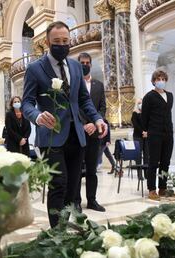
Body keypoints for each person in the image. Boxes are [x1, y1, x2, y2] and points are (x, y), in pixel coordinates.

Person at [22, 21, 108, 228]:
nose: (62, 45)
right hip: (51, 136)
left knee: (72, 186)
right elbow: (26, 102)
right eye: (57, 42)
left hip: (76, 135)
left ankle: (66, 225)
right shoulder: (35, 68)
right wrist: (37, 116)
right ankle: (57, 232)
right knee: (58, 185)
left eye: (65, 41)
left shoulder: (76, 66)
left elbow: (83, 99)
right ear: (47, 42)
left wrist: (97, 118)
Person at [74, 52, 107, 213]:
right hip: (78, 133)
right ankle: (76, 202)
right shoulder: (73, 83)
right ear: (78, 64)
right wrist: (83, 125)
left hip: (94, 134)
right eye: (82, 62)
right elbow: (73, 108)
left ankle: (92, 200)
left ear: (91, 65)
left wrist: (95, 123)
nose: (85, 65)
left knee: (92, 170)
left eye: (87, 62)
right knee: (78, 169)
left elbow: (102, 108)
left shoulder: (99, 85)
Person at [142, 70, 174, 201]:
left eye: (163, 78)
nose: (161, 81)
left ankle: (163, 188)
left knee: (166, 162)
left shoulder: (170, 95)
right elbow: (144, 116)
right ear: (154, 81)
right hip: (155, 132)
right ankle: (151, 189)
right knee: (153, 162)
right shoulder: (149, 96)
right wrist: (146, 130)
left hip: (168, 132)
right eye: (158, 79)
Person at [131, 98, 149, 168]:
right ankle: (140, 175)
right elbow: (136, 125)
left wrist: (147, 132)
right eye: (139, 103)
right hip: (138, 136)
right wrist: (142, 132)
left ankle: (147, 174)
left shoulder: (146, 113)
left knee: (147, 155)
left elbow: (149, 123)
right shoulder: (134, 113)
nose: (140, 105)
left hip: (146, 136)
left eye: (141, 103)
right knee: (138, 155)